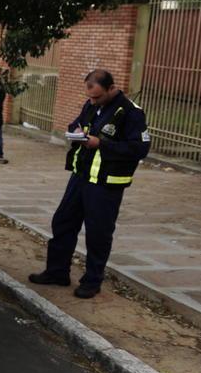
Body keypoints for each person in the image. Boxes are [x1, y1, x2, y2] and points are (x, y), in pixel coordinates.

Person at [29, 69, 150, 298]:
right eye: (90, 97)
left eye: (97, 97)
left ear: (111, 88)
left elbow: (139, 148)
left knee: (98, 234)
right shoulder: (92, 105)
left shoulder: (131, 113)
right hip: (81, 177)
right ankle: (57, 272)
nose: (92, 101)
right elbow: (78, 123)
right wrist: (74, 131)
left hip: (106, 184)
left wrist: (101, 144)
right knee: (63, 222)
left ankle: (92, 281)